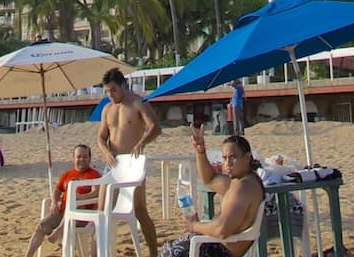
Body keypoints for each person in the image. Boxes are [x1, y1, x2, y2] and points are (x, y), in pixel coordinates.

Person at [159, 126, 264, 257]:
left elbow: (221, 230)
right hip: (212, 243)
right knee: (168, 248)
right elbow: (209, 179)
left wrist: (194, 226)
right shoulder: (238, 181)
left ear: (247, 158)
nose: (228, 163)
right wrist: (200, 151)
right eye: (224, 158)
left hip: (219, 251)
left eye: (232, 158)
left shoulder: (243, 188)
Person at [96, 67, 162, 254]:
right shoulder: (107, 109)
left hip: (132, 164)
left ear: (124, 85)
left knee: (140, 211)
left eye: (113, 90)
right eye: (107, 91)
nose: (110, 94)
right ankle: (100, 252)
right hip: (112, 164)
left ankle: (153, 253)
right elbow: (100, 137)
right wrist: (105, 152)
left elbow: (155, 128)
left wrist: (142, 142)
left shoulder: (138, 103)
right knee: (102, 212)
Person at [25, 145, 104, 257]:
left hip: (83, 214)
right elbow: (57, 190)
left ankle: (59, 231)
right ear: (74, 158)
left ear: (90, 158)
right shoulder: (67, 174)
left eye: (85, 157)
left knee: (75, 203)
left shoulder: (93, 174)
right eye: (78, 156)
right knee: (41, 226)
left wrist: (81, 197)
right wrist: (54, 202)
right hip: (62, 212)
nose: (81, 159)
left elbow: (96, 192)